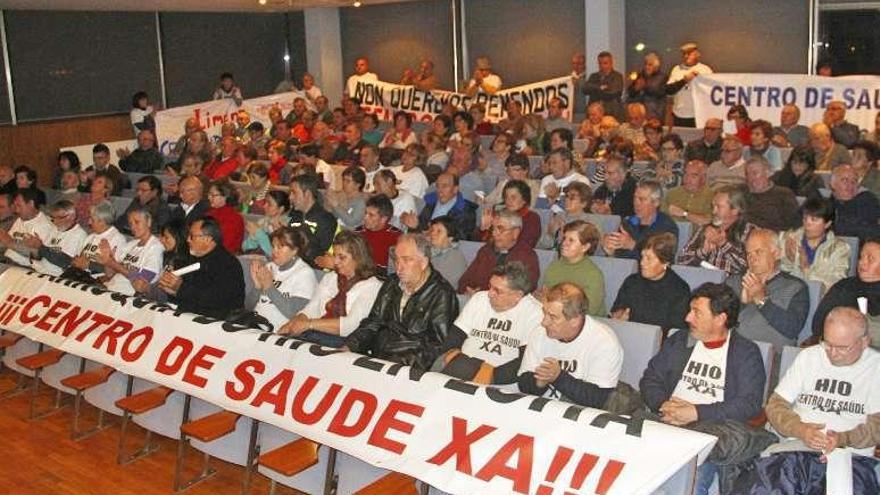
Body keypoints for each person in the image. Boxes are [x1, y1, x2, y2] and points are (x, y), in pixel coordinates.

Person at [733, 307, 880, 495]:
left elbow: (877, 426)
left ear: (865, 342)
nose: (832, 353)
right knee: (758, 489)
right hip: (795, 450)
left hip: (850, 458)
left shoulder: (876, 367)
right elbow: (776, 405)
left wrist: (843, 438)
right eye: (827, 343)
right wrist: (801, 430)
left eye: (842, 347)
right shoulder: (809, 356)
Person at [639, 283, 766, 495]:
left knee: (690, 487)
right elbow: (650, 379)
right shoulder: (680, 340)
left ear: (720, 318)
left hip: (708, 438)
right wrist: (664, 405)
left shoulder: (745, 353)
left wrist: (696, 412)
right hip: (665, 423)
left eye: (696, 312)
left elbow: (749, 404)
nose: (688, 318)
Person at [344, 234, 460, 371]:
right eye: (397, 260)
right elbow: (373, 322)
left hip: (408, 369)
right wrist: (350, 345)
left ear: (424, 263)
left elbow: (436, 346)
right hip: (378, 358)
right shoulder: (392, 283)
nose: (399, 267)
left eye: (406, 260)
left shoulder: (442, 294)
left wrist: (396, 365)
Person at [518, 282, 623, 407]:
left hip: (579, 415)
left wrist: (558, 377)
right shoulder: (540, 333)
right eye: (544, 313)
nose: (544, 322)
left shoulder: (604, 341)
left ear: (574, 320)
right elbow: (523, 384)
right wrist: (539, 383)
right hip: (542, 408)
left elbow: (598, 399)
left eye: (553, 317)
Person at [439, 262, 544, 385]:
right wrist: (455, 360)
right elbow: (454, 339)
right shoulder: (479, 299)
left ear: (517, 295)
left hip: (499, 381)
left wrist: (488, 375)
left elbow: (526, 361)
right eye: (490, 286)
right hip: (460, 368)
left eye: (497, 291)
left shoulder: (535, 313)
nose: (489, 293)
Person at [277, 231, 382, 347]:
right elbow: (312, 308)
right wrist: (296, 321)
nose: (336, 262)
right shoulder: (331, 277)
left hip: (343, 343)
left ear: (358, 259)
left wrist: (308, 324)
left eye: (342, 257)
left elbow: (350, 326)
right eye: (335, 255)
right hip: (316, 334)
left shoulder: (372, 286)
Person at [725, 228, 809, 348]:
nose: (752, 259)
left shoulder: (795, 287)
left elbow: (792, 329)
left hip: (770, 357)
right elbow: (717, 320)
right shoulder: (734, 281)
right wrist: (742, 304)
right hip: (731, 351)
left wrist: (762, 300)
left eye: (758, 252)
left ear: (776, 253)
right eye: (749, 254)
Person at [158, 217, 245, 319]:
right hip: (189, 317)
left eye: (192, 236)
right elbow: (189, 295)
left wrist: (180, 288)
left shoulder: (228, 264)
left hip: (216, 323)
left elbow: (216, 300)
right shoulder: (191, 258)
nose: (187, 240)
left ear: (207, 239)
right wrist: (173, 291)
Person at [808, 237, 880, 347]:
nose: (862, 262)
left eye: (870, 259)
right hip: (840, 349)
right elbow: (819, 324)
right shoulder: (845, 287)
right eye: (861, 257)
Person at [611, 232, 689, 331]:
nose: (642, 263)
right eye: (642, 256)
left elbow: (675, 332)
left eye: (649, 258)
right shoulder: (632, 282)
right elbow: (617, 311)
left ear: (665, 262)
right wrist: (618, 317)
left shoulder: (680, 290)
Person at [250, 227, 318, 331]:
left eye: (280, 247)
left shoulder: (305, 274)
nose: (274, 251)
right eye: (273, 247)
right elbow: (248, 307)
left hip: (275, 332)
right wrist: (257, 286)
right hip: (252, 325)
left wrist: (269, 287)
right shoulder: (270, 266)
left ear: (294, 250)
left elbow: (294, 315)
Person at [679, 185, 756, 276]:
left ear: (735, 210)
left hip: (731, 285)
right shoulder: (706, 228)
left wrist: (723, 244)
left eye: (719, 207)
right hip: (701, 280)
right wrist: (703, 251)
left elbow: (749, 266)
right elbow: (681, 261)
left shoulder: (749, 232)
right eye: (713, 206)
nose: (714, 212)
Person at [779, 197, 851, 292]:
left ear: (827, 224)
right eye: (805, 219)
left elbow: (835, 283)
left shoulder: (840, 248)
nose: (807, 224)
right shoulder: (789, 239)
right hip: (789, 294)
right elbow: (775, 272)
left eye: (814, 220)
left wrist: (806, 268)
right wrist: (789, 259)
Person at [460, 209, 539, 294]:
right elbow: (464, 280)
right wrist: (467, 290)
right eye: (493, 228)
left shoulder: (527, 256)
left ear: (515, 233)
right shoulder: (486, 250)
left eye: (500, 229)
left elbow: (525, 289)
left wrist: (484, 295)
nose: (494, 233)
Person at [542, 220, 605, 317]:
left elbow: (589, 311)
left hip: (582, 323)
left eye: (571, 240)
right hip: (553, 316)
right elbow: (545, 295)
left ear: (585, 247)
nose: (564, 243)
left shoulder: (593, 275)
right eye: (564, 238)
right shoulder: (554, 266)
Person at [95, 208, 164, 296]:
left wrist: (114, 264)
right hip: (110, 289)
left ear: (149, 222)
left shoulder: (156, 247)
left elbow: (141, 282)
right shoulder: (131, 244)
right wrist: (108, 259)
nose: (133, 227)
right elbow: (110, 274)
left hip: (127, 297)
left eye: (137, 222)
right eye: (131, 224)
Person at [602, 179, 678, 259]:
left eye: (642, 199)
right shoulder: (628, 222)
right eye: (635, 198)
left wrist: (632, 245)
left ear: (656, 202)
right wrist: (611, 252)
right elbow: (620, 257)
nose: (636, 203)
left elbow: (661, 260)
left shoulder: (667, 227)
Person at [402, 172, 477, 240]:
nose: (439, 190)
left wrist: (432, 234)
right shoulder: (430, 203)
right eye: (438, 186)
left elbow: (462, 239)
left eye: (445, 186)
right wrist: (414, 225)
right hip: (424, 245)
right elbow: (420, 227)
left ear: (455, 189)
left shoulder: (466, 211)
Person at [287, 173, 338, 265]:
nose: (290, 197)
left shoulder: (326, 219)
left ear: (307, 193)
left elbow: (321, 256)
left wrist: (304, 236)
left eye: (294, 192)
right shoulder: (295, 216)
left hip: (314, 271)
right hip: (293, 266)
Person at [28, 200, 87, 277]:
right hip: (37, 270)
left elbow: (64, 262)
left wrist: (40, 247)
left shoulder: (79, 235)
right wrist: (34, 249)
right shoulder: (54, 229)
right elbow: (40, 256)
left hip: (54, 276)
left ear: (72, 217)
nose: (55, 222)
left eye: (59, 218)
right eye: (52, 218)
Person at [69, 201, 127, 279]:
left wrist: (89, 265)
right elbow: (80, 260)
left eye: (92, 220)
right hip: (80, 276)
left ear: (102, 222)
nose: (89, 222)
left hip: (98, 281)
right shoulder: (91, 237)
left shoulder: (117, 239)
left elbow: (115, 271)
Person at [477, 180, 541, 249]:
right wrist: (483, 230)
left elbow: (526, 244)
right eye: (506, 197)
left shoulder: (532, 218)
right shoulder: (498, 214)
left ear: (524, 199)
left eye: (513, 197)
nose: (508, 201)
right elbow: (479, 243)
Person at [744, 156, 800, 232]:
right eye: (748, 174)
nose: (751, 178)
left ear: (767, 173)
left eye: (755, 173)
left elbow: (794, 224)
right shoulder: (742, 194)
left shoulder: (783, 194)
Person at [0, 189, 53, 266]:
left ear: (31, 204)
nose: (16, 210)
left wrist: (10, 243)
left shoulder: (44, 225)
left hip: (23, 267)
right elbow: (6, 242)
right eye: (15, 206)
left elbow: (38, 254)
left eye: (19, 205)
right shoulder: (20, 219)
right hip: (6, 260)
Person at [666, 42, 713, 127]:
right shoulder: (676, 69)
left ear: (697, 54)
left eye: (689, 53)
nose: (686, 56)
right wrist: (684, 80)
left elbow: (712, 92)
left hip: (698, 114)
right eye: (684, 54)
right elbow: (669, 90)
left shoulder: (705, 70)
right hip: (679, 114)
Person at [829, 164, 880, 241]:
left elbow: (874, 231)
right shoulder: (824, 205)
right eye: (845, 180)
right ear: (832, 184)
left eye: (854, 181)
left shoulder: (867, 201)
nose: (850, 185)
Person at [352, 194, 402, 270]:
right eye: (365, 213)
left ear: (383, 219)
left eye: (371, 215)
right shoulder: (357, 233)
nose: (365, 217)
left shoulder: (397, 237)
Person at [539, 181, 592, 250]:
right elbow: (542, 246)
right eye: (566, 196)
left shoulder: (589, 223)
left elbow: (587, 249)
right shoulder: (558, 216)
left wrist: (563, 237)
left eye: (572, 198)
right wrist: (550, 233)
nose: (567, 200)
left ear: (583, 203)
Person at [662, 159, 714, 226]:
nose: (688, 179)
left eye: (694, 176)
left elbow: (707, 220)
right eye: (686, 174)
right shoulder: (672, 193)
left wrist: (684, 213)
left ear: (703, 178)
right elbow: (661, 215)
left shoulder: (711, 196)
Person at [242, 190, 290, 257]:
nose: (264, 206)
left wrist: (259, 234)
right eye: (265, 202)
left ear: (280, 209)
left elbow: (275, 254)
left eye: (269, 204)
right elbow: (245, 248)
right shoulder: (263, 221)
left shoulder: (286, 227)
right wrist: (253, 237)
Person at [427, 216, 468, 289]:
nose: (433, 233)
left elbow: (441, 285)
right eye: (432, 230)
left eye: (439, 231)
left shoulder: (456, 257)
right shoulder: (426, 250)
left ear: (450, 238)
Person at [206, 180, 244, 255]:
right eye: (209, 194)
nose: (208, 197)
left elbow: (225, 246)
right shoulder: (210, 213)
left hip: (223, 257)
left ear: (224, 197)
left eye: (213, 195)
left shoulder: (234, 218)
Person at [583, 51, 624, 121]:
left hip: (611, 113)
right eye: (600, 63)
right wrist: (599, 87)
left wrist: (594, 91)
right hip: (594, 115)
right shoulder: (594, 76)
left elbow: (612, 93)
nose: (602, 66)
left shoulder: (617, 76)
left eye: (605, 63)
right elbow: (585, 89)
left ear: (611, 63)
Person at [626, 52, 666, 121]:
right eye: (646, 64)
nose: (647, 67)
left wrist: (644, 86)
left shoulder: (662, 77)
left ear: (656, 66)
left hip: (654, 112)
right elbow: (630, 92)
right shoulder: (641, 75)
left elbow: (659, 92)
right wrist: (635, 88)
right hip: (639, 112)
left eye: (650, 65)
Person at [324, 165, 367, 229]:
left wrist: (336, 206)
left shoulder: (361, 202)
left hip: (350, 234)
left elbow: (352, 222)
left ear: (358, 184)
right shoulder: (340, 195)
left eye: (348, 181)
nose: (344, 183)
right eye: (343, 180)